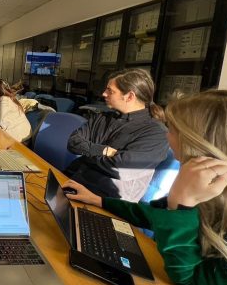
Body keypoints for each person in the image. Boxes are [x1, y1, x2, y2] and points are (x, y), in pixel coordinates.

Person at [62, 90, 227, 285]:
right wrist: (98, 200)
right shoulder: (207, 184)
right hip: (171, 276)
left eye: (172, 130)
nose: (167, 136)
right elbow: (153, 216)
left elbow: (188, 281)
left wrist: (182, 205)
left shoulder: (197, 193)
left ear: (198, 142)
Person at [65, 68, 168, 201]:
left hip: (105, 199)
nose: (104, 94)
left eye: (110, 91)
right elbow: (73, 142)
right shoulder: (102, 117)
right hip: (73, 178)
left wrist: (87, 153)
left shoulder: (156, 133)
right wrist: (103, 150)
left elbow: (120, 168)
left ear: (129, 96)